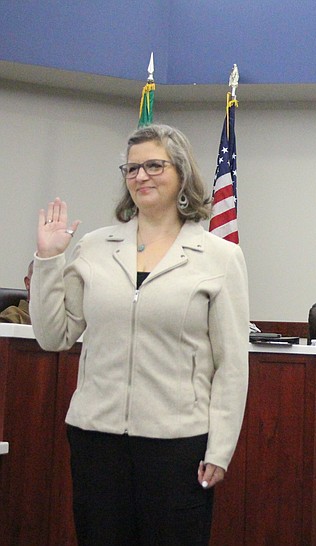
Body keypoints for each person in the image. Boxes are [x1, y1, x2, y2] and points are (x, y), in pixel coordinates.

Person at [29, 124, 250, 545]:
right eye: (131, 169)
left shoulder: (220, 256)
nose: (141, 177)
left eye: (153, 165)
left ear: (181, 173)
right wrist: (48, 259)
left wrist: (220, 449)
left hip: (178, 444)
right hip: (97, 438)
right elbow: (54, 336)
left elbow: (232, 365)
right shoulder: (94, 247)